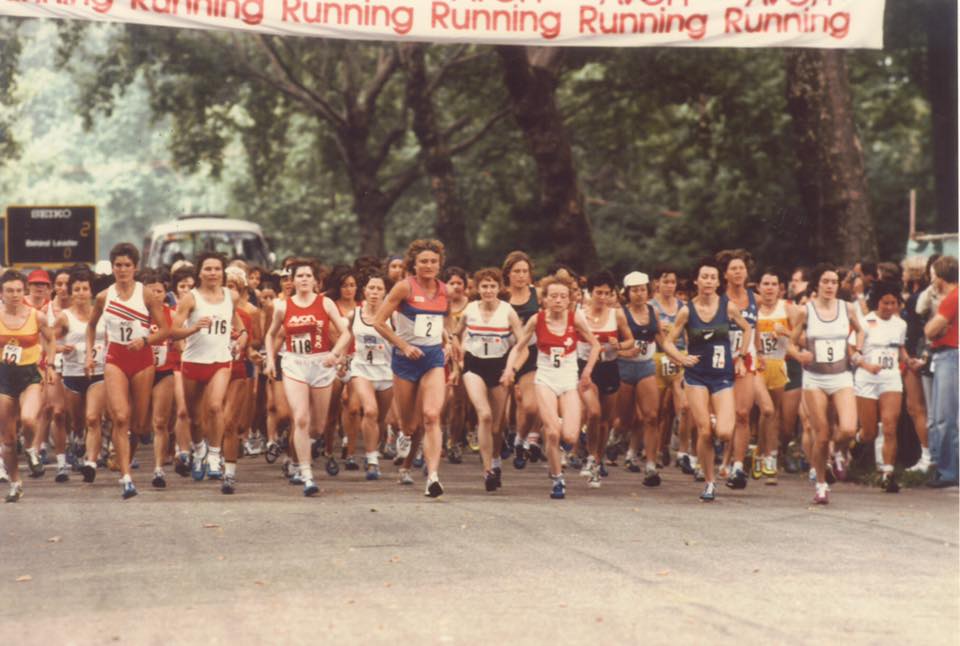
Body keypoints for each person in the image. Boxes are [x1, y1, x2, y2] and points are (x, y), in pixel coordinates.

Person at [661, 258, 753, 502]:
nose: (709, 281)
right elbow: (668, 341)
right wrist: (681, 358)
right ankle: (710, 482)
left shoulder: (728, 306)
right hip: (696, 377)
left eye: (713, 277)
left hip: (722, 375)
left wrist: (742, 357)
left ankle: (716, 421)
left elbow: (747, 328)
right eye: (705, 277)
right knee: (704, 432)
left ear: (717, 281)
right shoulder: (686, 311)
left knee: (723, 432)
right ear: (697, 281)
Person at [503, 274, 600, 499]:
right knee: (554, 434)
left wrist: (587, 372)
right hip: (545, 378)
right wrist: (510, 369)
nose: (558, 300)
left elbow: (595, 346)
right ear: (544, 299)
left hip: (568, 380)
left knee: (570, 436)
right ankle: (557, 479)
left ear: (569, 300)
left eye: (563, 296)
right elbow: (518, 347)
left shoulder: (575, 319)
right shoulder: (537, 320)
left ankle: (554, 448)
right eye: (553, 296)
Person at [87, 243, 170, 499]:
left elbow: (165, 329)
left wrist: (145, 341)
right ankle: (126, 478)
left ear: (135, 268)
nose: (122, 270)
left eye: (127, 265)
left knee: (139, 424)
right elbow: (91, 326)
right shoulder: (104, 296)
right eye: (118, 265)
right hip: (116, 358)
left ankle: (128, 455)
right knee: (120, 417)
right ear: (112, 268)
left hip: (143, 359)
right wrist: (91, 352)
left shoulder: (145, 295)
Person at [264, 260, 351, 496]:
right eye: (299, 275)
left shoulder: (326, 303)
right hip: (294, 363)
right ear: (292, 280)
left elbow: (345, 333)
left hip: (321, 363)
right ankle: (306, 474)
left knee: (318, 426)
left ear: (315, 281)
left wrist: (335, 354)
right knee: (300, 418)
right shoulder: (283, 307)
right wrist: (271, 360)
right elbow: (270, 336)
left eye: (307, 275)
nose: (303, 279)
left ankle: (300, 446)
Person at [373, 239, 451, 497]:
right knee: (409, 425)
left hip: (433, 359)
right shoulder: (404, 288)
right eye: (423, 262)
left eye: (433, 261)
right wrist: (404, 346)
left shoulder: (444, 290)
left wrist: (449, 339)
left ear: (440, 265)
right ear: (414, 265)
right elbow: (379, 322)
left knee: (431, 416)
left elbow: (442, 320)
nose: (428, 266)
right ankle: (406, 461)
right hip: (406, 360)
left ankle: (433, 477)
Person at [170, 252, 247, 494]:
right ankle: (199, 449)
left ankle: (214, 455)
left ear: (222, 272)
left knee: (215, 407)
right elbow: (173, 331)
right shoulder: (190, 298)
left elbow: (239, 325)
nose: (213, 273)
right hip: (193, 362)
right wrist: (193, 328)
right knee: (194, 419)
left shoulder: (231, 296)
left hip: (221, 361)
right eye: (208, 269)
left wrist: (240, 338)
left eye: (217, 269)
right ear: (199, 273)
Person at [789, 263, 863, 504]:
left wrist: (857, 351)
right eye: (825, 282)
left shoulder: (847, 308)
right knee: (821, 435)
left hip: (841, 376)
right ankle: (821, 484)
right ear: (817, 285)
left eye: (833, 282)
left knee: (849, 428)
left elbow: (861, 331)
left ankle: (839, 452)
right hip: (815, 379)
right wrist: (800, 355)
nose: (830, 286)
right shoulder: (806, 311)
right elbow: (790, 343)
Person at [454, 268, 524, 491]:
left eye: (492, 286)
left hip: (499, 367)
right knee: (483, 415)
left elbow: (523, 347)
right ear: (477, 289)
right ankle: (488, 471)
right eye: (484, 286)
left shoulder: (508, 311)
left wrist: (511, 370)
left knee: (497, 425)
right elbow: (454, 334)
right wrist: (458, 357)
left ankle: (495, 460)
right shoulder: (470, 309)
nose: (488, 290)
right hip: (474, 365)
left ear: (499, 288)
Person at [0, 270, 57, 502]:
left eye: (18, 290)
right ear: (2, 293)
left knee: (28, 419)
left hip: (30, 376)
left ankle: (32, 448)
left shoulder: (36, 316)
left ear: (24, 292)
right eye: (9, 291)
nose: (14, 295)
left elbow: (51, 338)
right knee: (8, 439)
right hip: (3, 378)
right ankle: (15, 482)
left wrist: (50, 364)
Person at [854, 280, 913, 493]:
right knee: (869, 432)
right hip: (867, 378)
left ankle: (887, 474)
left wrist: (909, 361)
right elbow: (854, 353)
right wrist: (867, 365)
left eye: (893, 303)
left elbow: (901, 350)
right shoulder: (865, 322)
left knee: (889, 426)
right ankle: (855, 441)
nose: (889, 307)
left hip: (890, 379)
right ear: (876, 302)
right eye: (885, 303)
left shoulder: (900, 324)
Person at [52, 269, 107, 484]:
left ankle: (91, 463)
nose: (81, 293)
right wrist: (59, 348)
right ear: (70, 292)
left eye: (85, 289)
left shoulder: (101, 314)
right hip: (73, 374)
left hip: (98, 372)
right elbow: (48, 341)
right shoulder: (65, 318)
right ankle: (77, 438)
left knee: (93, 418)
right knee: (76, 422)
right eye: (77, 289)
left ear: (92, 291)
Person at [754, 269, 801, 485]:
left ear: (780, 288)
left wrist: (786, 333)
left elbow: (800, 334)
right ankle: (759, 454)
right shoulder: (753, 309)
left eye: (774, 284)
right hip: (757, 366)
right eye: (766, 283)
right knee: (763, 411)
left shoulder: (788, 309)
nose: (770, 288)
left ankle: (768, 456)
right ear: (759, 287)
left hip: (779, 365)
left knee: (774, 415)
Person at [615, 271, 663, 485]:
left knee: (651, 416)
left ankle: (651, 465)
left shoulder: (653, 312)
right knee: (624, 420)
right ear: (627, 293)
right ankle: (615, 437)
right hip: (624, 367)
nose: (639, 294)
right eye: (635, 290)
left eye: (643, 289)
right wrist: (625, 353)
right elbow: (611, 347)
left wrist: (680, 356)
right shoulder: (620, 314)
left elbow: (663, 339)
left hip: (646, 366)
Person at [348, 271, 394, 481]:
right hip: (361, 369)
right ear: (364, 291)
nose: (375, 293)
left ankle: (374, 447)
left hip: (386, 371)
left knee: (381, 419)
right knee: (370, 411)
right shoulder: (354, 315)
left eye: (379, 289)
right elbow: (342, 336)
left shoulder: (394, 316)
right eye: (371, 288)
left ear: (386, 292)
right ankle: (372, 460)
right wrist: (337, 355)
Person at [503, 251, 541, 468]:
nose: (521, 275)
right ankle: (499, 447)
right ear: (508, 274)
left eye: (525, 271)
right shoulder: (500, 297)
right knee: (501, 409)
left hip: (530, 353)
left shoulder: (539, 294)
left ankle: (521, 439)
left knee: (530, 406)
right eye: (516, 271)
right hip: (502, 353)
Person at [924, 255, 958, 488]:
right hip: (946, 355)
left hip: (950, 355)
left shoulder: (951, 299)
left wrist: (936, 327)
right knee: (942, 417)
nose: (932, 280)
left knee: (944, 416)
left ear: (941, 278)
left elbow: (930, 329)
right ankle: (944, 466)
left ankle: (947, 471)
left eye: (934, 275)